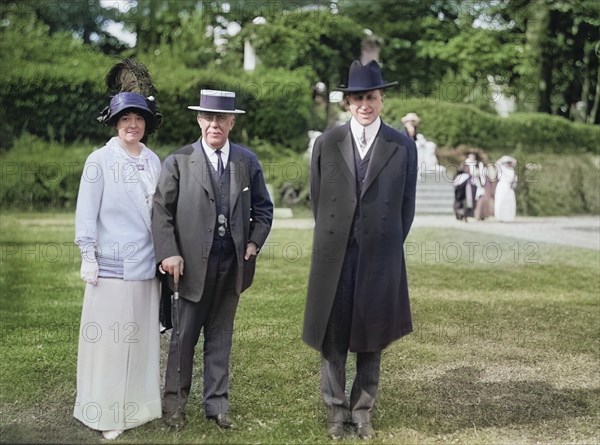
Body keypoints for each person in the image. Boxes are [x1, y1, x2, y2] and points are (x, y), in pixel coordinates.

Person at [303, 60, 418, 440]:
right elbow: (318, 199)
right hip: (335, 254)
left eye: (371, 97)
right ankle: (335, 412)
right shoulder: (327, 142)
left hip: (379, 257)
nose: (364, 104)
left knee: (372, 335)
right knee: (333, 335)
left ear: (382, 99)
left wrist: (384, 245)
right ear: (347, 102)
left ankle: (362, 411)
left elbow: (406, 206)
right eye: (357, 98)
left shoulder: (401, 146)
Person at [152, 89, 273, 430]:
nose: (214, 124)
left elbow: (263, 209)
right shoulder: (178, 161)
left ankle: (217, 405)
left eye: (222, 118)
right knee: (183, 340)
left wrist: (254, 242)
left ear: (232, 121)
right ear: (199, 120)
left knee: (220, 338)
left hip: (231, 265)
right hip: (189, 267)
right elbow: (161, 211)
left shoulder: (246, 162)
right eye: (208, 117)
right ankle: (174, 406)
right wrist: (169, 252)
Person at [73, 86, 163, 440]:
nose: (132, 124)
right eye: (125, 118)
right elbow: (86, 213)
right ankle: (105, 412)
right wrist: (87, 256)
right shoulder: (99, 160)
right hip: (110, 268)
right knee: (110, 346)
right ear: (114, 123)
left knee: (141, 341)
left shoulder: (153, 160)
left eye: (138, 118)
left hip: (146, 267)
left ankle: (138, 408)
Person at [494, 155, 518, 222]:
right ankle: (500, 217)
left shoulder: (511, 170)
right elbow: (496, 163)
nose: (507, 164)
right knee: (500, 201)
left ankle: (508, 217)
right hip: (501, 186)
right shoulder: (501, 169)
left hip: (509, 187)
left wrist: (510, 159)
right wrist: (504, 158)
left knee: (509, 202)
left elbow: (515, 161)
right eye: (505, 162)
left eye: (508, 162)